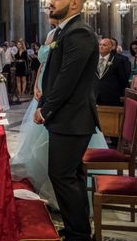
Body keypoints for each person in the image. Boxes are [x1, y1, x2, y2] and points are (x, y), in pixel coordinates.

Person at [34, 0, 99, 241]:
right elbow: (53, 72)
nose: (51, 2)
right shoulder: (66, 31)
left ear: (74, 4)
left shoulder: (80, 33)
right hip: (67, 117)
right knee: (71, 176)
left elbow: (67, 79)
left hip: (73, 118)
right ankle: (78, 230)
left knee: (62, 176)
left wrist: (46, 109)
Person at [12, 29, 108, 211]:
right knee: (41, 147)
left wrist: (48, 99)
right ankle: (46, 188)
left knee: (59, 156)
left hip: (58, 96)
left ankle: (64, 198)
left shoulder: (75, 34)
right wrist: (35, 86)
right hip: (44, 86)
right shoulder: (50, 34)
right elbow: (43, 64)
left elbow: (66, 72)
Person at [97, 37, 130, 106]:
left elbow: (123, 80)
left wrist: (123, 95)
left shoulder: (117, 61)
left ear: (111, 47)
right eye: (100, 45)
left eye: (104, 45)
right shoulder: (93, 59)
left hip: (111, 97)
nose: (101, 47)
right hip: (94, 96)